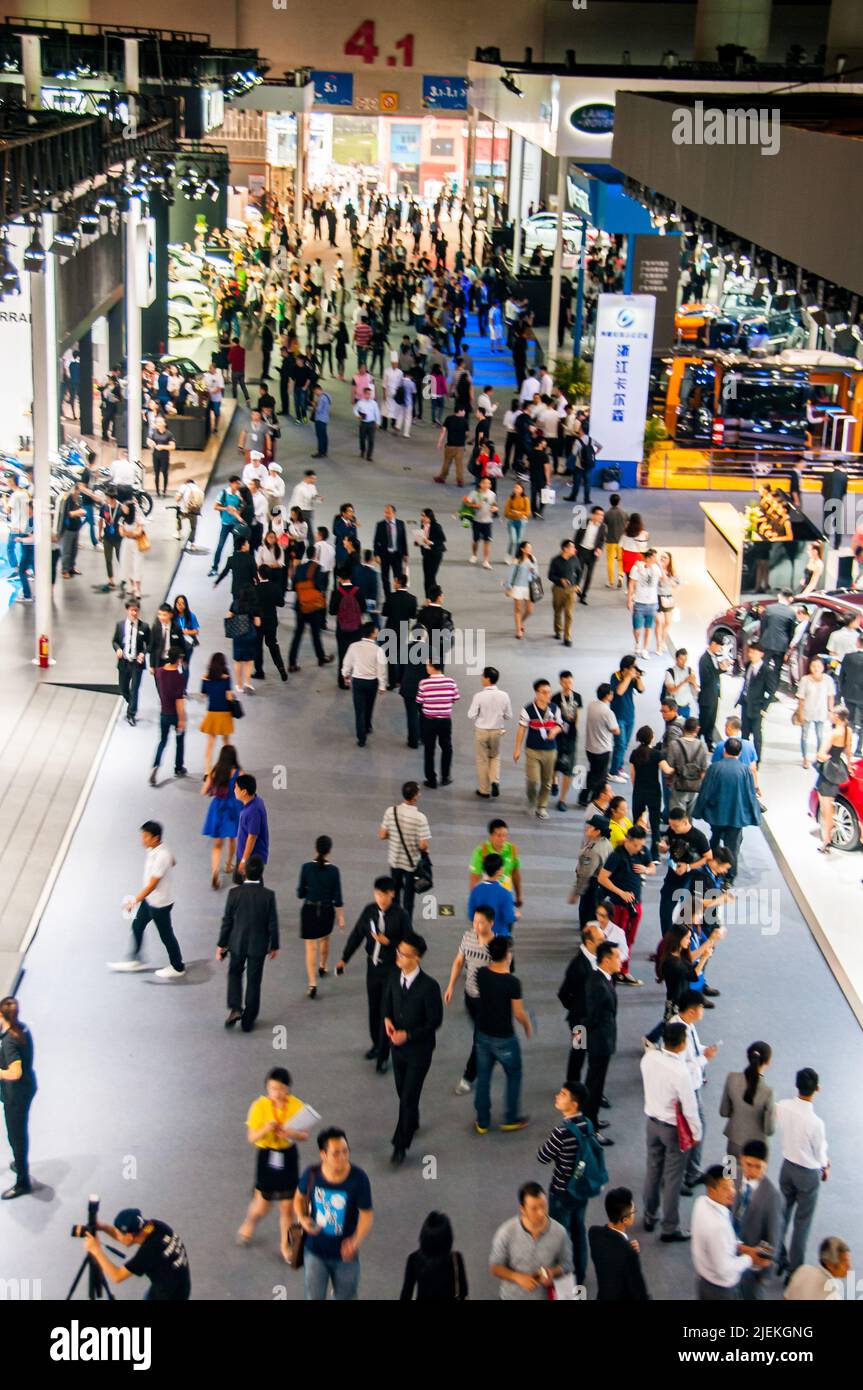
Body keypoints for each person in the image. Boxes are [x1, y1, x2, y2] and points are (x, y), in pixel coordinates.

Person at [382, 932, 444, 1164]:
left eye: (403, 954)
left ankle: (400, 1144)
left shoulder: (429, 987)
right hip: (397, 1050)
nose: (397, 956)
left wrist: (407, 1035)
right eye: (398, 951)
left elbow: (434, 1022)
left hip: (419, 1051)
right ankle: (413, 1120)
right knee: (402, 1091)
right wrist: (387, 1019)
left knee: (407, 1097)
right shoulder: (393, 976)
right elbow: (387, 1003)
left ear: (416, 958)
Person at [236, 1067, 309, 1258]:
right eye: (272, 1088)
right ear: (267, 1088)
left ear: (288, 1089)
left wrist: (290, 1133)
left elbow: (304, 1135)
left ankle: (285, 1244)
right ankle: (249, 1223)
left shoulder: (296, 1106)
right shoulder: (259, 1107)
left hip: (288, 1156)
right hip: (267, 1156)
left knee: (288, 1207)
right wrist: (266, 1128)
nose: (276, 1092)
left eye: (280, 1088)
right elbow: (251, 1138)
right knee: (262, 1204)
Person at [295, 1127, 374, 1301]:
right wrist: (302, 1218)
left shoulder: (358, 1178)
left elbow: (366, 1215)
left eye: (345, 1151)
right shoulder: (312, 1174)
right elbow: (299, 1198)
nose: (343, 1157)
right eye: (336, 1153)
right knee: (314, 1297)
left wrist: (355, 1242)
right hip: (314, 1251)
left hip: (345, 1255)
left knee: (346, 1296)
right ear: (323, 1154)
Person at [641, 1021, 702, 1241]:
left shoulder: (648, 1058)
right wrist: (696, 1134)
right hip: (673, 1130)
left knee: (653, 1170)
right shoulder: (680, 1072)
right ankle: (669, 1227)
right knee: (673, 1178)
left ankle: (649, 1215)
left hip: (651, 1123)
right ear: (682, 1044)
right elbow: (690, 1108)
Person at [536, 1081, 603, 1286]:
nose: (558, 1096)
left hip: (561, 1191)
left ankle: (562, 1276)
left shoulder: (562, 1132)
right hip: (581, 1188)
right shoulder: (588, 1124)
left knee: (558, 1235)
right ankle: (580, 1274)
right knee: (578, 1230)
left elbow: (542, 1156)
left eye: (563, 1094)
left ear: (573, 1104)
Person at [109, 821, 185, 979]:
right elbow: (174, 861)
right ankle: (135, 958)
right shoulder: (157, 849)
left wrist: (134, 901)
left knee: (166, 935)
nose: (143, 840)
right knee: (137, 925)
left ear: (156, 838)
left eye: (146, 837)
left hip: (160, 904)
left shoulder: (162, 855)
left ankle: (178, 967)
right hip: (150, 901)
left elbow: (152, 885)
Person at [473, 935, 531, 1134]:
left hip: (482, 1034)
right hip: (504, 1038)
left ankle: (482, 1122)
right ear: (507, 955)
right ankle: (511, 1118)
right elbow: (518, 1013)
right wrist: (527, 1025)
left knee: (483, 1078)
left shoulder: (481, 974)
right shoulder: (512, 983)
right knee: (514, 1075)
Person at [776, 1067, 830, 1278]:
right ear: (817, 1089)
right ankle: (794, 1270)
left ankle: (777, 1257)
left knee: (782, 1214)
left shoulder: (783, 1106)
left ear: (796, 1086)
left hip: (787, 1167)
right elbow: (819, 1152)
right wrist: (825, 1165)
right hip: (808, 1174)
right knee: (802, 1223)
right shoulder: (816, 1123)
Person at [216, 855, 279, 1031]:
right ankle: (248, 1020)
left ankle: (235, 1008)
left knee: (235, 973)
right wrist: (274, 945)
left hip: (237, 943)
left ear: (244, 873)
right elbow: (272, 922)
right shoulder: (268, 896)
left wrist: (221, 944)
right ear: (261, 872)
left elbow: (227, 920)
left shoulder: (234, 894)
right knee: (254, 981)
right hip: (258, 946)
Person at [691, 1165, 772, 1299]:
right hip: (720, 1291)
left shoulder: (701, 1203)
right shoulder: (718, 1226)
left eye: (732, 1185)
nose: (732, 1192)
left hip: (703, 1280)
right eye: (725, 1188)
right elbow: (724, 1269)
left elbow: (718, 1244)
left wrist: (743, 1248)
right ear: (711, 1190)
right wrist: (751, 1258)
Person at [82, 1208, 190, 1301]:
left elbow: (117, 1276)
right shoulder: (154, 1226)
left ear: (130, 1236)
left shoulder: (149, 1251)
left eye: (119, 1234)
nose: (117, 1236)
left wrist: (96, 1250)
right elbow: (126, 1239)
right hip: (181, 1287)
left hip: (167, 1296)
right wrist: (103, 1227)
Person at [692, 738, 761, 882]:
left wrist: (698, 811)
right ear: (740, 753)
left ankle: (710, 867)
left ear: (724, 750)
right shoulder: (745, 770)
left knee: (714, 840)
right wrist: (755, 814)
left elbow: (706, 791)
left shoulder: (715, 767)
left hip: (716, 814)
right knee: (732, 846)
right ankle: (729, 876)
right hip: (736, 816)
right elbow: (750, 793)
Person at [489, 1182, 573, 1300]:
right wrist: (517, 1277)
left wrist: (552, 1272)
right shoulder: (506, 1232)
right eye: (534, 1208)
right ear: (522, 1209)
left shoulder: (559, 1232)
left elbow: (567, 1264)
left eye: (544, 1206)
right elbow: (495, 1267)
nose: (541, 1213)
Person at [296, 835, 345, 998]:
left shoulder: (306, 868)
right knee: (324, 939)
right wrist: (340, 917)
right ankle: (323, 966)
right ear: (329, 851)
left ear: (315, 849)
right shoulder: (334, 871)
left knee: (311, 947)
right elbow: (337, 898)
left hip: (309, 910)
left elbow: (300, 893)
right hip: (326, 911)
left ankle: (312, 984)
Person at [734, 1140, 782, 1300]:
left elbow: (772, 1240)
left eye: (758, 1167)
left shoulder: (772, 1196)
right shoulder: (734, 1176)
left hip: (752, 1266)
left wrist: (764, 1274)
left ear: (766, 1165)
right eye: (748, 1164)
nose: (753, 1171)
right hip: (729, 1254)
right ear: (741, 1160)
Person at [0, 997, 37, 1200]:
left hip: (16, 1097)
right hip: (27, 1088)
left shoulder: (9, 1041)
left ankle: (23, 1181)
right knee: (18, 1134)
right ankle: (19, 1162)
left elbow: (15, 1072)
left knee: (16, 1137)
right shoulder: (21, 1029)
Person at [583, 941, 620, 1139]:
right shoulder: (598, 985)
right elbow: (592, 1018)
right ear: (606, 960)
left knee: (596, 1084)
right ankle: (591, 1129)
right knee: (594, 1086)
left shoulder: (603, 978)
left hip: (602, 1040)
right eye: (617, 957)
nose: (620, 960)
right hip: (599, 1043)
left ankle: (593, 1119)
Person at [379, 782, 430, 922]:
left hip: (394, 860)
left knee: (394, 893)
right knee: (408, 897)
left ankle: (393, 920)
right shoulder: (420, 818)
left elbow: (382, 835)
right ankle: (406, 924)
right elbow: (423, 845)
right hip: (411, 863)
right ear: (414, 797)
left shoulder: (391, 811)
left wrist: (394, 835)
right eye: (418, 792)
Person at [513, 678, 563, 819]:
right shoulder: (528, 709)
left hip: (550, 750)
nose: (548, 695)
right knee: (533, 780)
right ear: (537, 693)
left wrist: (555, 730)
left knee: (547, 782)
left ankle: (541, 807)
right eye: (544, 692)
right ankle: (531, 798)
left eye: (549, 692)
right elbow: (521, 729)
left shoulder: (555, 708)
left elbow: (560, 724)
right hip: (532, 750)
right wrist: (517, 749)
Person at [589, 1187, 650, 1300]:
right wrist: (629, 1250)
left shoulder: (593, 1233)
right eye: (633, 1211)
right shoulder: (629, 1254)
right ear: (625, 1220)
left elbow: (613, 1252)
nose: (634, 1213)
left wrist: (626, 1245)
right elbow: (640, 1293)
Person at [719, 1041, 776, 1161]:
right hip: (756, 1149)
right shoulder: (768, 1092)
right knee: (751, 1180)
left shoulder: (731, 1078)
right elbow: (769, 1130)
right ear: (768, 1062)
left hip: (733, 1140)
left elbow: (724, 1112)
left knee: (729, 1176)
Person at [399, 1211, 468, 1300]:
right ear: (447, 1236)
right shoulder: (456, 1258)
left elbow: (406, 1293)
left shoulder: (413, 1259)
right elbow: (463, 1291)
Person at [341, 619, 387, 748]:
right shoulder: (378, 650)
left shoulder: (354, 646)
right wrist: (382, 685)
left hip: (358, 682)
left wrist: (345, 675)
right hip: (372, 682)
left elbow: (347, 663)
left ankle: (361, 738)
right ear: (372, 633)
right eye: (376, 630)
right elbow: (381, 669)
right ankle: (367, 726)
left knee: (359, 710)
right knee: (369, 705)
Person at [201, 743, 242, 886]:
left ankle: (215, 873)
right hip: (233, 808)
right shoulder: (238, 772)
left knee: (217, 845)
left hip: (218, 807)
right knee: (232, 839)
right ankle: (229, 864)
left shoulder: (215, 770)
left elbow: (204, 791)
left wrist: (209, 782)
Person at [814, 705, 853, 853]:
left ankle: (826, 841)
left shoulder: (834, 733)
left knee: (826, 809)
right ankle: (827, 839)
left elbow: (821, 754)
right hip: (838, 770)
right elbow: (848, 752)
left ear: (837, 716)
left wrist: (824, 758)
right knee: (829, 807)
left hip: (828, 774)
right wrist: (848, 766)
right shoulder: (847, 731)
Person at [416, 659, 460, 788]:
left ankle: (431, 780)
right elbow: (455, 698)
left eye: (427, 665)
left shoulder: (424, 683)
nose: (426, 668)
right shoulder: (451, 682)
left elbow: (419, 701)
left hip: (429, 721)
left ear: (432, 667)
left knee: (429, 750)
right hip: (445, 721)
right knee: (446, 748)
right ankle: (445, 777)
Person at [150, 645, 187, 785]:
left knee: (162, 741)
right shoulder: (179, 677)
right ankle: (178, 768)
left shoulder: (159, 672)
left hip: (164, 713)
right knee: (179, 742)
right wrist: (182, 720)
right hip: (175, 715)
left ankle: (155, 766)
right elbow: (180, 701)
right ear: (178, 659)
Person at [580, 683, 620, 807]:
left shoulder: (591, 706)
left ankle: (583, 796)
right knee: (601, 777)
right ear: (607, 695)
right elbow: (616, 730)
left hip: (590, 747)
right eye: (611, 693)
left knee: (593, 772)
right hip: (603, 750)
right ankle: (594, 799)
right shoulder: (608, 712)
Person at [112, 598, 149, 727]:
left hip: (136, 663)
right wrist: (117, 649)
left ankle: (131, 713)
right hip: (124, 662)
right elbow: (115, 641)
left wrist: (143, 653)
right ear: (127, 610)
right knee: (123, 688)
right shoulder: (120, 625)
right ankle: (131, 702)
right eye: (132, 610)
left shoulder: (144, 627)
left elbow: (149, 643)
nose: (134, 613)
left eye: (136, 610)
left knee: (135, 689)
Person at [610, 655, 645, 781]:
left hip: (630, 715)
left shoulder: (633, 677)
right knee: (619, 744)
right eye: (633, 666)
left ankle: (619, 768)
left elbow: (642, 689)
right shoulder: (615, 676)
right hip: (618, 716)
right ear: (626, 668)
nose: (635, 668)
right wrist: (629, 677)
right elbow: (619, 691)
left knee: (624, 745)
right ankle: (613, 772)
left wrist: (638, 678)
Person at [759, 587, 797, 702]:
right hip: (781, 646)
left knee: (762, 667)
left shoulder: (769, 609)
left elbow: (763, 626)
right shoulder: (791, 612)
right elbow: (791, 632)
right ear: (790, 598)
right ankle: (771, 694)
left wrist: (762, 639)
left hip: (767, 642)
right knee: (777, 670)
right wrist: (788, 645)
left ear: (779, 596)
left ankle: (760, 690)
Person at [785, 1235, 851, 1301]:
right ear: (830, 1265)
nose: (849, 1266)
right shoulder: (832, 1294)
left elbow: (786, 1296)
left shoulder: (803, 1270)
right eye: (844, 1262)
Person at [736, 640, 771, 763]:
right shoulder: (748, 665)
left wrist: (764, 708)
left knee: (756, 735)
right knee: (744, 733)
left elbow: (771, 692)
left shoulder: (766, 671)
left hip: (757, 707)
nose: (751, 655)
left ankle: (756, 760)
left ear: (761, 654)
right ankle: (743, 758)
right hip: (745, 703)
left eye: (754, 653)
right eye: (750, 652)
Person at [698, 635, 729, 751]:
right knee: (704, 721)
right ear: (713, 644)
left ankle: (708, 742)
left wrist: (722, 668)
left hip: (714, 695)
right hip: (707, 695)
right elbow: (707, 678)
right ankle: (697, 741)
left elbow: (715, 672)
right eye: (719, 646)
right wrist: (720, 670)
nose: (720, 649)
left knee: (712, 720)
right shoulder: (704, 659)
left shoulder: (714, 657)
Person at [235, 773, 269, 877]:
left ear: (244, 792)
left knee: (252, 884)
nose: (234, 790)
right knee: (239, 881)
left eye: (236, 788)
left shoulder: (253, 811)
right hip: (244, 852)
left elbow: (252, 837)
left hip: (251, 858)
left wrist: (244, 860)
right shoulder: (256, 800)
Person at [548, 538, 580, 646]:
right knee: (558, 611)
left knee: (569, 613)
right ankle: (558, 630)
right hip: (558, 590)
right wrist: (560, 580)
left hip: (571, 590)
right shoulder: (555, 560)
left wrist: (576, 585)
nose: (574, 549)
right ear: (565, 549)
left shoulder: (575, 559)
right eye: (572, 547)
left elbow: (579, 572)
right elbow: (550, 576)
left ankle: (567, 637)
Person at [573, 505, 607, 603]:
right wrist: (574, 548)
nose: (601, 517)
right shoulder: (585, 522)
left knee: (589, 575)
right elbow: (577, 536)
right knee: (579, 572)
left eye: (602, 515)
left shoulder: (603, 527)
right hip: (582, 551)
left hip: (593, 554)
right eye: (599, 515)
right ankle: (575, 589)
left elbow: (601, 540)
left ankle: (583, 595)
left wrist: (599, 549)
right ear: (593, 515)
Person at [505, 540, 538, 639]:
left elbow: (536, 575)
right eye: (528, 548)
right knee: (518, 609)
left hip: (529, 587)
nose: (530, 550)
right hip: (518, 587)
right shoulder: (517, 560)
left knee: (529, 610)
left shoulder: (533, 559)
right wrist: (509, 587)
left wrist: (533, 571)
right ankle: (518, 629)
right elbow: (511, 575)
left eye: (530, 548)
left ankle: (520, 622)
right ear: (522, 549)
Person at [373, 504, 408, 596]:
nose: (386, 515)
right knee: (385, 578)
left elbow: (403, 540)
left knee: (398, 577)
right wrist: (376, 555)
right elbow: (376, 541)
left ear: (394, 513)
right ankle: (388, 597)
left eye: (388, 513)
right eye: (385, 512)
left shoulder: (400, 524)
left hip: (397, 555)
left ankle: (398, 596)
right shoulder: (380, 525)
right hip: (384, 555)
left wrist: (405, 554)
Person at [464, 475, 498, 568]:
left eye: (489, 483)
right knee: (476, 540)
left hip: (488, 521)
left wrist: (495, 508)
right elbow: (466, 503)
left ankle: (486, 560)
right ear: (480, 484)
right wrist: (475, 506)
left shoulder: (492, 494)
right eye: (485, 483)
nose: (487, 485)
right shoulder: (474, 493)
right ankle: (474, 555)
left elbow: (495, 504)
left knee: (487, 541)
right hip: (476, 520)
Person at [414, 508, 446, 597]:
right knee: (426, 578)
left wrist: (431, 542)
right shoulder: (422, 526)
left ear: (429, 517)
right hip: (426, 554)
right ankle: (428, 598)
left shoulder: (436, 526)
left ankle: (436, 597)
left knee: (431, 578)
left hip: (435, 555)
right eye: (421, 516)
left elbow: (442, 539)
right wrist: (418, 542)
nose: (422, 518)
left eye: (423, 516)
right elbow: (423, 539)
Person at [147, 415, 176, 498]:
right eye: (157, 422)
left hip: (164, 456)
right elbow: (149, 441)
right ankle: (157, 491)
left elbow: (173, 447)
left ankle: (164, 490)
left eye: (160, 422)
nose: (158, 423)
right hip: (155, 455)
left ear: (164, 423)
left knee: (164, 473)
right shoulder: (153, 432)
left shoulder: (169, 434)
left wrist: (162, 447)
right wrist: (151, 444)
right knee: (156, 474)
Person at [504, 481, 531, 559]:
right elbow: (506, 512)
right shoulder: (510, 498)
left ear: (522, 489)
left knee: (519, 541)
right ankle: (508, 555)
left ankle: (516, 556)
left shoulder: (525, 499)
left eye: (518, 488)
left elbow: (527, 513)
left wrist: (516, 512)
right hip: (511, 521)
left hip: (522, 522)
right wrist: (518, 514)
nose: (516, 489)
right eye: (515, 488)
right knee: (513, 540)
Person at [353, 387, 381, 460]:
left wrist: (378, 422)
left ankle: (369, 455)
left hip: (371, 424)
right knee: (362, 439)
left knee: (371, 440)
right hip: (363, 423)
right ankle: (362, 450)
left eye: (370, 394)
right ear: (364, 394)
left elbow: (377, 413)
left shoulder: (374, 403)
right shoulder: (360, 402)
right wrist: (358, 416)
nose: (368, 395)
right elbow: (355, 409)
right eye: (367, 394)